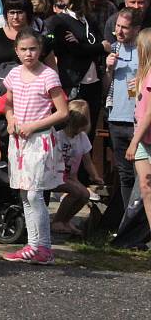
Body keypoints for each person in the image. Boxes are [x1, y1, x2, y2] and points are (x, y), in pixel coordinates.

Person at [2, 29, 68, 265]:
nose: (28, 54)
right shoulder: (14, 75)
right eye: (23, 49)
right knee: (24, 194)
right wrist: (11, 120)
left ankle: (45, 247)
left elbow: (62, 111)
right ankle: (33, 245)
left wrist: (33, 125)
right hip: (19, 141)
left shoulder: (48, 75)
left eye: (33, 49)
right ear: (16, 51)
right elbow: (8, 105)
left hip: (39, 140)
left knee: (34, 192)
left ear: (40, 50)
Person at [45, 0, 111, 147]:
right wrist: (94, 47)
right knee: (70, 131)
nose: (94, 6)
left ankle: (85, 172)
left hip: (93, 83)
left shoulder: (89, 20)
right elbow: (75, 50)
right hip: (74, 81)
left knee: (88, 131)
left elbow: (105, 45)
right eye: (91, 2)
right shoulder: (59, 21)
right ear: (81, 0)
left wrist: (86, 46)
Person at [104, 8, 141, 211]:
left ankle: (142, 225)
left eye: (125, 27)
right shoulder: (115, 48)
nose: (119, 31)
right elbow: (106, 87)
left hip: (138, 120)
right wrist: (108, 69)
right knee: (125, 174)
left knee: (141, 175)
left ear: (136, 29)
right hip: (116, 118)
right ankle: (127, 224)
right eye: (117, 26)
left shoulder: (144, 49)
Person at [50, 100, 103, 236]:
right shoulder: (58, 135)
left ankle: (65, 221)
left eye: (80, 128)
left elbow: (88, 161)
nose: (77, 132)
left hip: (69, 177)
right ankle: (57, 221)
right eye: (75, 128)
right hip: (54, 175)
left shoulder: (82, 137)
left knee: (85, 194)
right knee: (76, 192)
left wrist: (95, 176)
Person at [124, 28, 151, 237]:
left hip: (144, 137)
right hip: (142, 137)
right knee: (145, 186)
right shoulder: (144, 73)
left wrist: (134, 142)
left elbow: (149, 113)